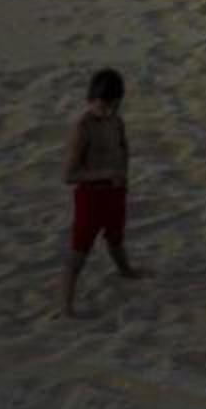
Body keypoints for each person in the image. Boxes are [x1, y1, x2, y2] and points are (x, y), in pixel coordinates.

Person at [60, 67, 142, 315]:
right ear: (92, 100)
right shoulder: (83, 128)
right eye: (103, 106)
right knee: (79, 252)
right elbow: (68, 175)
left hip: (115, 192)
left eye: (114, 106)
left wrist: (123, 178)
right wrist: (106, 174)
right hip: (91, 196)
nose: (108, 111)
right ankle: (65, 306)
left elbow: (123, 149)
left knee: (116, 238)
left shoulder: (116, 122)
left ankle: (125, 270)